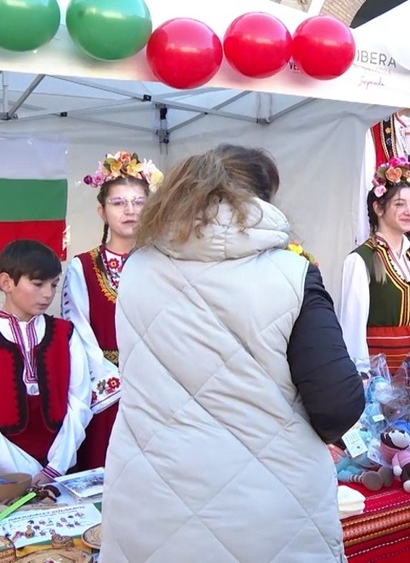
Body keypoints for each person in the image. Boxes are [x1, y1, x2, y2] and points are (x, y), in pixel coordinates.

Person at [100, 145, 365, 562]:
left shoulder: (135, 269)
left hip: (148, 501)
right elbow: (338, 405)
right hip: (267, 512)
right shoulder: (294, 273)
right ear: (258, 200)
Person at [0, 240, 92, 497]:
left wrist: (54, 468)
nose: (48, 294)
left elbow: (79, 402)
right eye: (38, 284)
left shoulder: (65, 334)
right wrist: (24, 473)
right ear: (6, 283)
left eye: (54, 284)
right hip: (2, 476)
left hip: (61, 469)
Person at [61, 151, 162, 471]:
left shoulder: (164, 262)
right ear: (102, 211)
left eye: (138, 202)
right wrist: (110, 377)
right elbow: (77, 329)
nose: (130, 210)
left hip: (158, 384)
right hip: (106, 387)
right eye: (119, 203)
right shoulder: (83, 267)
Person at [339, 157, 410, 372]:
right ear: (378, 208)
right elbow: (351, 331)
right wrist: (363, 381)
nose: (409, 211)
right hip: (378, 376)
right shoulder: (360, 260)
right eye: (399, 204)